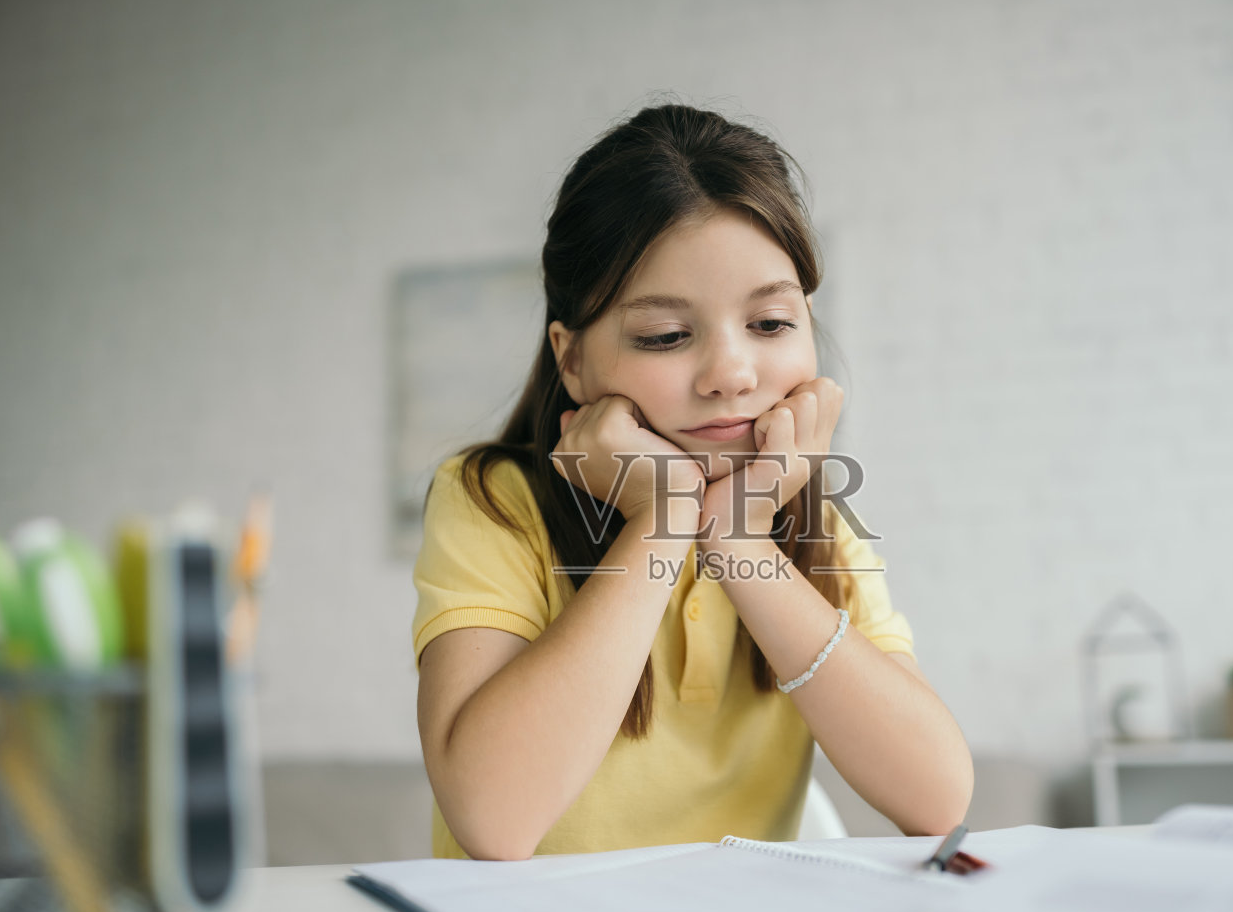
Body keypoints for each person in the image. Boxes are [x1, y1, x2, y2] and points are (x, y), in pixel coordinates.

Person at [412, 103, 972, 860]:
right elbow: (494, 819)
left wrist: (739, 540)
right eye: (667, 336)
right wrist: (662, 521)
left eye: (770, 323)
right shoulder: (491, 500)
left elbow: (937, 798)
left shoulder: (814, 523)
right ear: (571, 358)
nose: (731, 375)